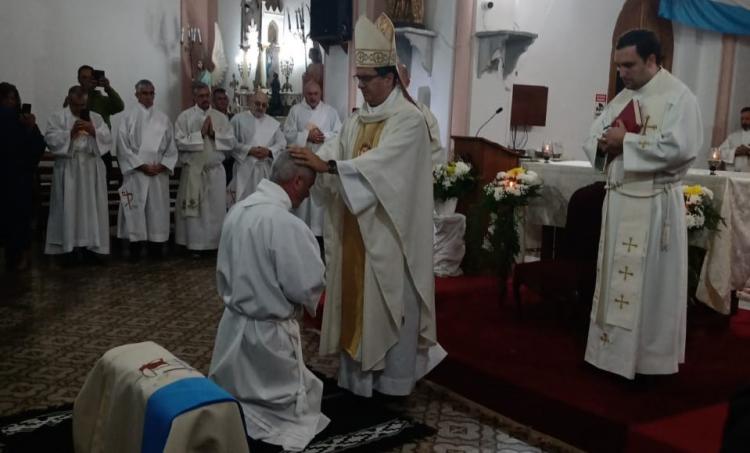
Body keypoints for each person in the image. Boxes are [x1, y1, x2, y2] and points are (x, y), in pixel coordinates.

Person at [290, 13, 446, 397]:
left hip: (389, 238)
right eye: (358, 80)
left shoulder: (409, 121)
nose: (359, 87)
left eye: (365, 80)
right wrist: (308, 169)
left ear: (390, 78)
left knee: (386, 309)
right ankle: (356, 382)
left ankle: (392, 385)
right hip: (356, 233)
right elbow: (337, 145)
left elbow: (384, 166)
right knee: (356, 309)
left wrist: (328, 166)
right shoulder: (360, 120)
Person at [582, 29, 703, 379]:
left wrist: (627, 142)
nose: (622, 73)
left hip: (654, 208)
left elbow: (681, 149)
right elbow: (592, 136)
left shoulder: (679, 97)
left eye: (629, 65)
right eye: (619, 66)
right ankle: (610, 356)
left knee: (651, 290)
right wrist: (604, 145)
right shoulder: (622, 99)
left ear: (652, 60)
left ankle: (647, 362)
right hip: (620, 203)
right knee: (613, 285)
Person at [209, 151, 328, 451]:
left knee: (235, 393)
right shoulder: (287, 225)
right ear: (298, 181)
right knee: (286, 411)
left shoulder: (237, 211)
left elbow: (222, 271)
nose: (307, 195)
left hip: (233, 328)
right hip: (268, 338)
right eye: (309, 187)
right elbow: (307, 285)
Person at [44, 86, 112, 258]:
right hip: (69, 167)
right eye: (77, 101)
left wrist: (94, 130)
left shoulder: (95, 117)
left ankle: (93, 248)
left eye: (84, 101)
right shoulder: (57, 117)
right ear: (70, 98)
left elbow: (108, 138)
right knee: (69, 207)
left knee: (92, 209)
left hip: (91, 168)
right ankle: (69, 249)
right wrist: (70, 133)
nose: (81, 105)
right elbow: (50, 139)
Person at [115, 80, 178, 258]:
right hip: (136, 172)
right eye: (145, 93)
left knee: (156, 210)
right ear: (137, 95)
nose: (149, 97)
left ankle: (156, 246)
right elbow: (122, 147)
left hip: (158, 173)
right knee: (135, 208)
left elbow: (171, 148)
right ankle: (134, 247)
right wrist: (141, 166)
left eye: (152, 93)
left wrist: (161, 165)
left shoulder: (163, 119)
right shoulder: (128, 118)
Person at [174, 82, 234, 252]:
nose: (205, 99)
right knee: (197, 212)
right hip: (194, 171)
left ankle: (215, 244)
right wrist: (199, 134)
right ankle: (195, 245)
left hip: (215, 171)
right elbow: (178, 142)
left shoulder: (220, 117)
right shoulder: (184, 117)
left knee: (216, 210)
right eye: (201, 96)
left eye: (207, 95)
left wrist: (214, 134)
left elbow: (231, 142)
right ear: (194, 97)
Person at [283, 80, 341, 249]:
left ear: (320, 93)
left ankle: (320, 235)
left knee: (319, 201)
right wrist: (306, 136)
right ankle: (301, 231)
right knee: (303, 200)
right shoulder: (296, 111)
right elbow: (287, 133)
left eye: (316, 94)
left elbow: (339, 133)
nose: (313, 97)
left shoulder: (330, 112)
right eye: (309, 94)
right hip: (302, 162)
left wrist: (323, 135)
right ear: (304, 94)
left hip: (322, 162)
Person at [0, 82, 46, 271]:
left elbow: (36, 147)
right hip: (11, 177)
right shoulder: (14, 119)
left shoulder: (21, 120)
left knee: (17, 222)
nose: (10, 102)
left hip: (19, 178)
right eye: (6, 98)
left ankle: (17, 259)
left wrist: (30, 127)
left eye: (13, 98)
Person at [228, 91, 285, 206]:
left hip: (265, 171)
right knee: (243, 203)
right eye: (257, 103)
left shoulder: (272, 123)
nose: (260, 107)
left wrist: (268, 151)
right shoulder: (238, 119)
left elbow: (282, 143)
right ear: (250, 103)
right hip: (244, 169)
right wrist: (249, 150)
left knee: (263, 204)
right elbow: (230, 142)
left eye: (264, 105)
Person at [77, 65, 124, 180]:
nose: (87, 80)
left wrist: (108, 88)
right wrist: (87, 92)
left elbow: (120, 106)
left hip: (101, 149)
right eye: (84, 77)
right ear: (79, 79)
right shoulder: (75, 98)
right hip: (81, 150)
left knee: (102, 188)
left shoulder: (101, 100)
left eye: (90, 77)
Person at [397, 63, 445, 164]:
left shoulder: (423, 113)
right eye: (394, 81)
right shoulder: (376, 109)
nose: (396, 86)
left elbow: (434, 150)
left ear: (408, 82)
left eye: (399, 82)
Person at [719, 107, 750, 172]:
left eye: (747, 119)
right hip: (733, 173)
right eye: (742, 119)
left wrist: (748, 151)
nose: (744, 122)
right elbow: (720, 152)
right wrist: (735, 152)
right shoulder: (733, 136)